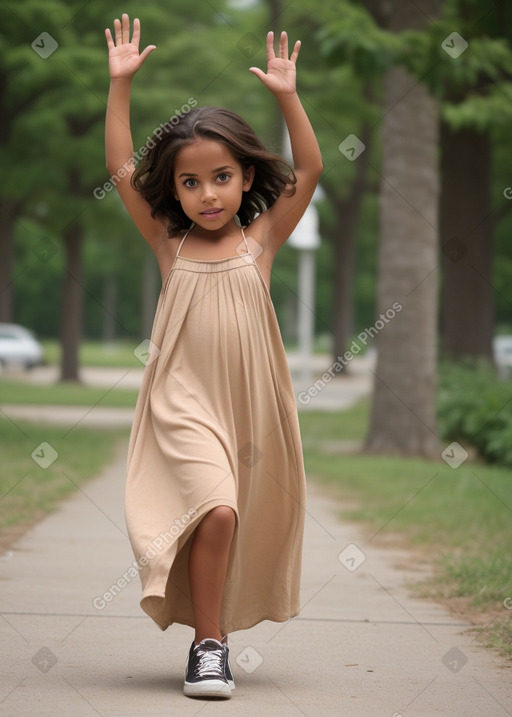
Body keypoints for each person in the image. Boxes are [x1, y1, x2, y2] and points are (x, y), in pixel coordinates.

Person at [104, 13, 322, 700]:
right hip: (183, 403)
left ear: (245, 173)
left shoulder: (261, 241)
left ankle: (213, 633)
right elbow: (118, 166)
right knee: (217, 509)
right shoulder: (171, 247)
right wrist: (120, 87)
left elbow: (312, 166)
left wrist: (288, 95)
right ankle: (209, 647)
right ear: (173, 190)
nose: (207, 194)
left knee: (228, 517)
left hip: (247, 406)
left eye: (221, 177)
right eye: (190, 183)